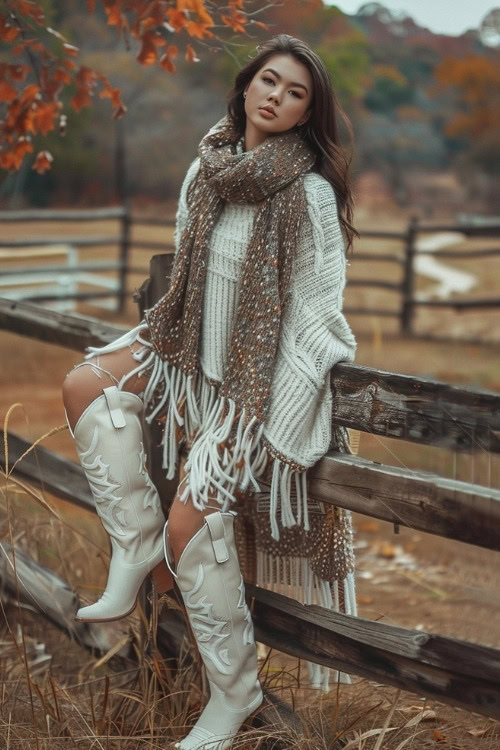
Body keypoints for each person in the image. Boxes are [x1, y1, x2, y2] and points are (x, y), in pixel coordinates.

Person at [62, 33, 359, 750]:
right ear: (247, 84)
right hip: (190, 358)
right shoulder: (207, 169)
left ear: (306, 112)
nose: (277, 98)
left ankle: (234, 693)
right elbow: (190, 286)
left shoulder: (310, 192)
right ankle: (134, 548)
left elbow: (319, 307)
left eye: (296, 94)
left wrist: (276, 402)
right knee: (85, 384)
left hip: (254, 384)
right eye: (270, 81)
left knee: (192, 527)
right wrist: (174, 348)